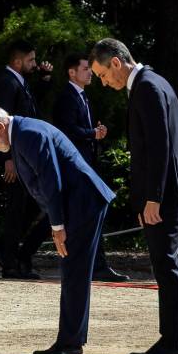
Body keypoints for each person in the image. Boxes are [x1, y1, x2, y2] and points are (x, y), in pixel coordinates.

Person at [0, 107, 114, 354]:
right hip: (79, 202)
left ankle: (70, 343)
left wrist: (57, 226)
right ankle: (71, 340)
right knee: (73, 270)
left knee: (73, 270)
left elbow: (51, 180)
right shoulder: (22, 133)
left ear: (0, 127)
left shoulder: (28, 134)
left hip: (82, 203)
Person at [90, 38, 178, 354]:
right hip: (165, 190)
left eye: (104, 75)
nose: (105, 83)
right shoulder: (153, 82)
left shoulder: (147, 86)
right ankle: (170, 341)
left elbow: (160, 147)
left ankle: (172, 343)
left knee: (166, 265)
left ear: (116, 63)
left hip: (164, 193)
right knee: (164, 265)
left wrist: (153, 199)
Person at [51, 52, 127, 283]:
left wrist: (95, 134)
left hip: (86, 164)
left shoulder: (82, 96)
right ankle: (94, 265)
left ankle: (95, 264)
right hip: (76, 167)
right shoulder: (67, 97)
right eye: (85, 69)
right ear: (71, 72)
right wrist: (92, 133)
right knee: (86, 213)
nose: (90, 73)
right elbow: (66, 131)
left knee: (89, 213)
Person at [0, 39, 53, 279]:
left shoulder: (20, 81)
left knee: (29, 206)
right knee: (18, 208)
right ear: (17, 61)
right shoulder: (7, 82)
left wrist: (44, 80)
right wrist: (7, 157)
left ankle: (4, 249)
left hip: (22, 155)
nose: (34, 64)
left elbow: (29, 111)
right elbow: (1, 121)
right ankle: (10, 263)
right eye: (31, 60)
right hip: (14, 156)